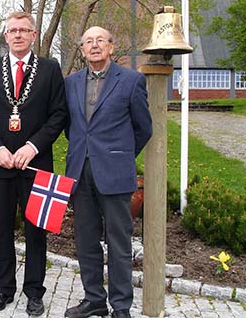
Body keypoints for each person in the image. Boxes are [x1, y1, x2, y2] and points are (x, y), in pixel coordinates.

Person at [0, 11, 68, 316]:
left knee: (36, 231)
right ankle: (4, 290)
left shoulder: (51, 70)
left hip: (36, 164)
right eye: (12, 30)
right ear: (4, 35)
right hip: (0, 164)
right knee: (1, 230)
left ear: (34, 35)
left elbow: (59, 115)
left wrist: (32, 146)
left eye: (23, 30)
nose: (17, 35)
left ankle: (34, 292)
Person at [64, 26, 153, 318]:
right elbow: (71, 127)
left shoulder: (131, 81)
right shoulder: (72, 83)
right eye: (88, 41)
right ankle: (94, 300)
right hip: (80, 172)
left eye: (100, 40)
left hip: (115, 173)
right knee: (86, 240)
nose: (94, 45)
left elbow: (143, 128)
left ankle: (121, 306)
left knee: (118, 242)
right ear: (82, 49)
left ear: (112, 47)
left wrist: (119, 155)